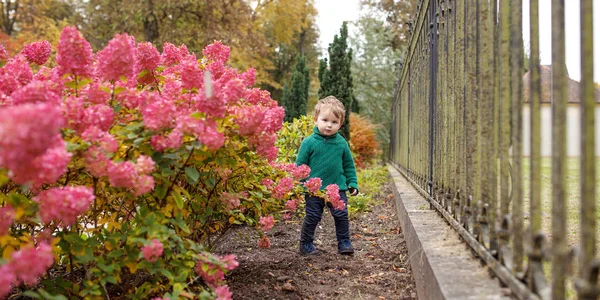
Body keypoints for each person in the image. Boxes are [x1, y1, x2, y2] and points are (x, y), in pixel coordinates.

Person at [296, 95, 359, 255]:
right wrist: (299, 184)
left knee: (341, 215)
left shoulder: (341, 143)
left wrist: (352, 183)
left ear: (340, 124)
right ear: (316, 119)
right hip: (313, 190)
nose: (329, 125)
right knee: (313, 216)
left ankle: (344, 242)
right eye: (325, 120)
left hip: (337, 188)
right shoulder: (309, 142)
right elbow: (300, 166)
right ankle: (305, 244)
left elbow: (348, 165)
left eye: (334, 122)